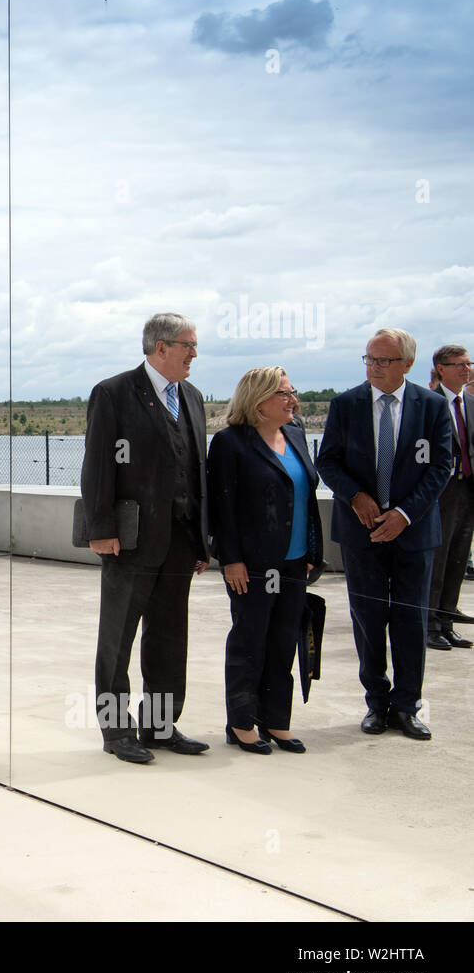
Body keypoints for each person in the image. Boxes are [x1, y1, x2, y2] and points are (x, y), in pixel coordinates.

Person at [79, 312, 211, 764]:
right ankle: (116, 733)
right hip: (130, 539)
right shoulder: (113, 393)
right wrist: (101, 529)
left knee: (169, 636)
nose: (194, 353)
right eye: (188, 345)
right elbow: (97, 465)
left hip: (179, 541)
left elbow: (196, 472)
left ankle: (159, 725)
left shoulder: (191, 398)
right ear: (161, 348)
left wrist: (201, 541)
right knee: (117, 640)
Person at [316, 328, 450, 741]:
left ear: (407, 364)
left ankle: (407, 707)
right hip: (362, 535)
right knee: (368, 620)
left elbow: (441, 466)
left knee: (411, 621)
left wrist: (405, 515)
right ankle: (376, 703)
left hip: (413, 533)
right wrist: (356, 497)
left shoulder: (431, 406)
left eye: (383, 361)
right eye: (369, 359)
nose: (374, 367)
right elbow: (329, 462)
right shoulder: (346, 405)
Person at [207, 368, 323, 754]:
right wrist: (231, 559)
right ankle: (241, 723)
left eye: (293, 392)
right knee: (250, 641)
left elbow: (304, 497)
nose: (294, 401)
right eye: (285, 395)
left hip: (294, 562)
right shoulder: (230, 443)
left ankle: (276, 721)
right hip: (252, 565)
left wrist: (309, 552)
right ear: (258, 400)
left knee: (283, 641)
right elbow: (222, 508)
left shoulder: (295, 434)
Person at [426, 344, 474, 650]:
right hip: (440, 492)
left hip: (467, 490)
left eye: (468, 363)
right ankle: (429, 624)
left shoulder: (469, 401)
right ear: (441, 368)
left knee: (458, 558)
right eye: (460, 364)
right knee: (438, 560)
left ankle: (446, 622)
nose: (466, 369)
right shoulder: (429, 403)